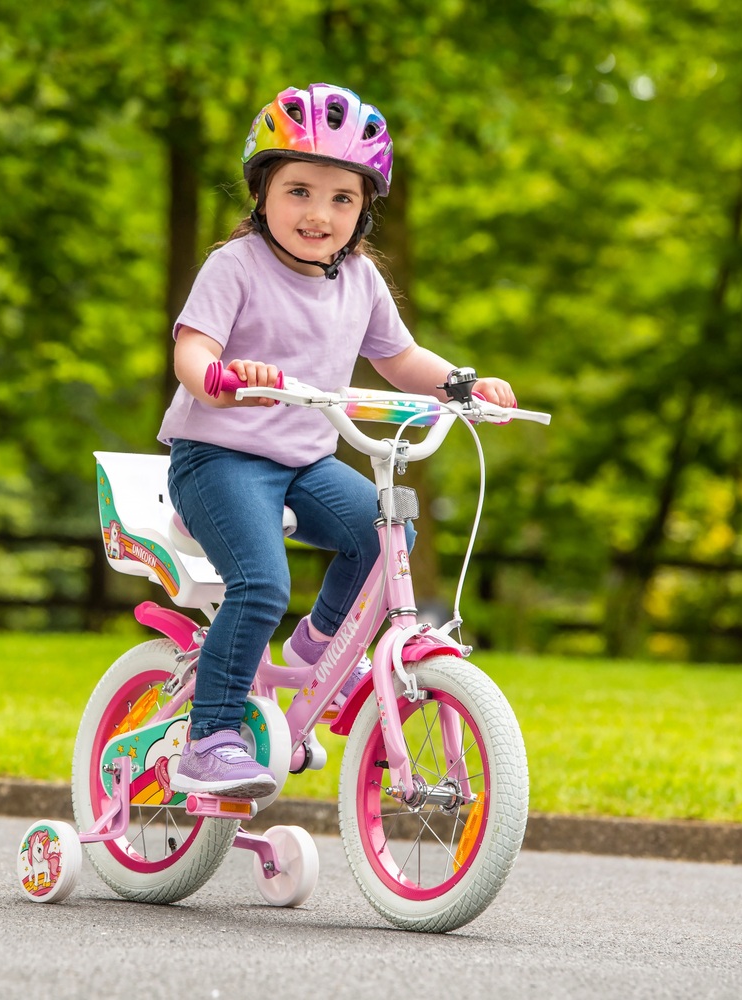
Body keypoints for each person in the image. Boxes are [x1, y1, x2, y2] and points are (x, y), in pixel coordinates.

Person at [158, 82, 515, 798]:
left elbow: (401, 360)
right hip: (219, 457)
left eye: (342, 199)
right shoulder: (235, 267)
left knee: (387, 530)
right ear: (261, 193)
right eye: (299, 191)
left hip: (302, 459)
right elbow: (190, 354)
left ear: (363, 210)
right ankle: (212, 735)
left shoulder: (361, 280)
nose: (319, 214)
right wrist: (222, 377)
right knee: (260, 584)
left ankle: (318, 649)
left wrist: (461, 386)